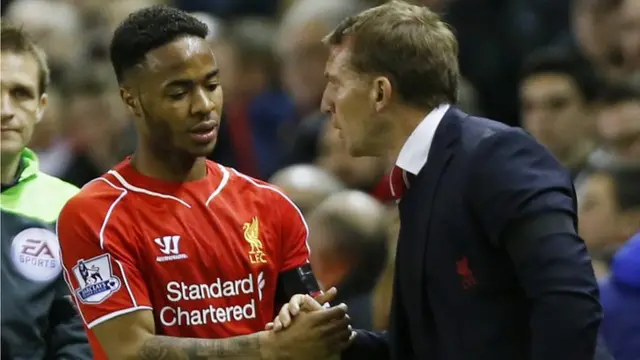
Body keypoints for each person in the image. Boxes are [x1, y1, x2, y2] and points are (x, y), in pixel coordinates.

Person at [268, 1, 607, 359]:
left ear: (380, 92)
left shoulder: (499, 157)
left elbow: (571, 305)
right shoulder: (418, 179)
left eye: (335, 83)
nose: (325, 103)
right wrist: (329, 341)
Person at [56, 5, 351, 360]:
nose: (204, 105)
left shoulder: (271, 205)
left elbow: (312, 335)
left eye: (212, 85)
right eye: (178, 93)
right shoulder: (93, 215)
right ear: (130, 99)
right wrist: (266, 348)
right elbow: (128, 349)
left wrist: (307, 321)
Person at [0, 22, 91, 359]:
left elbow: (79, 335)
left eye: (20, 93)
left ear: (40, 106)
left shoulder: (70, 207)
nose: (5, 110)